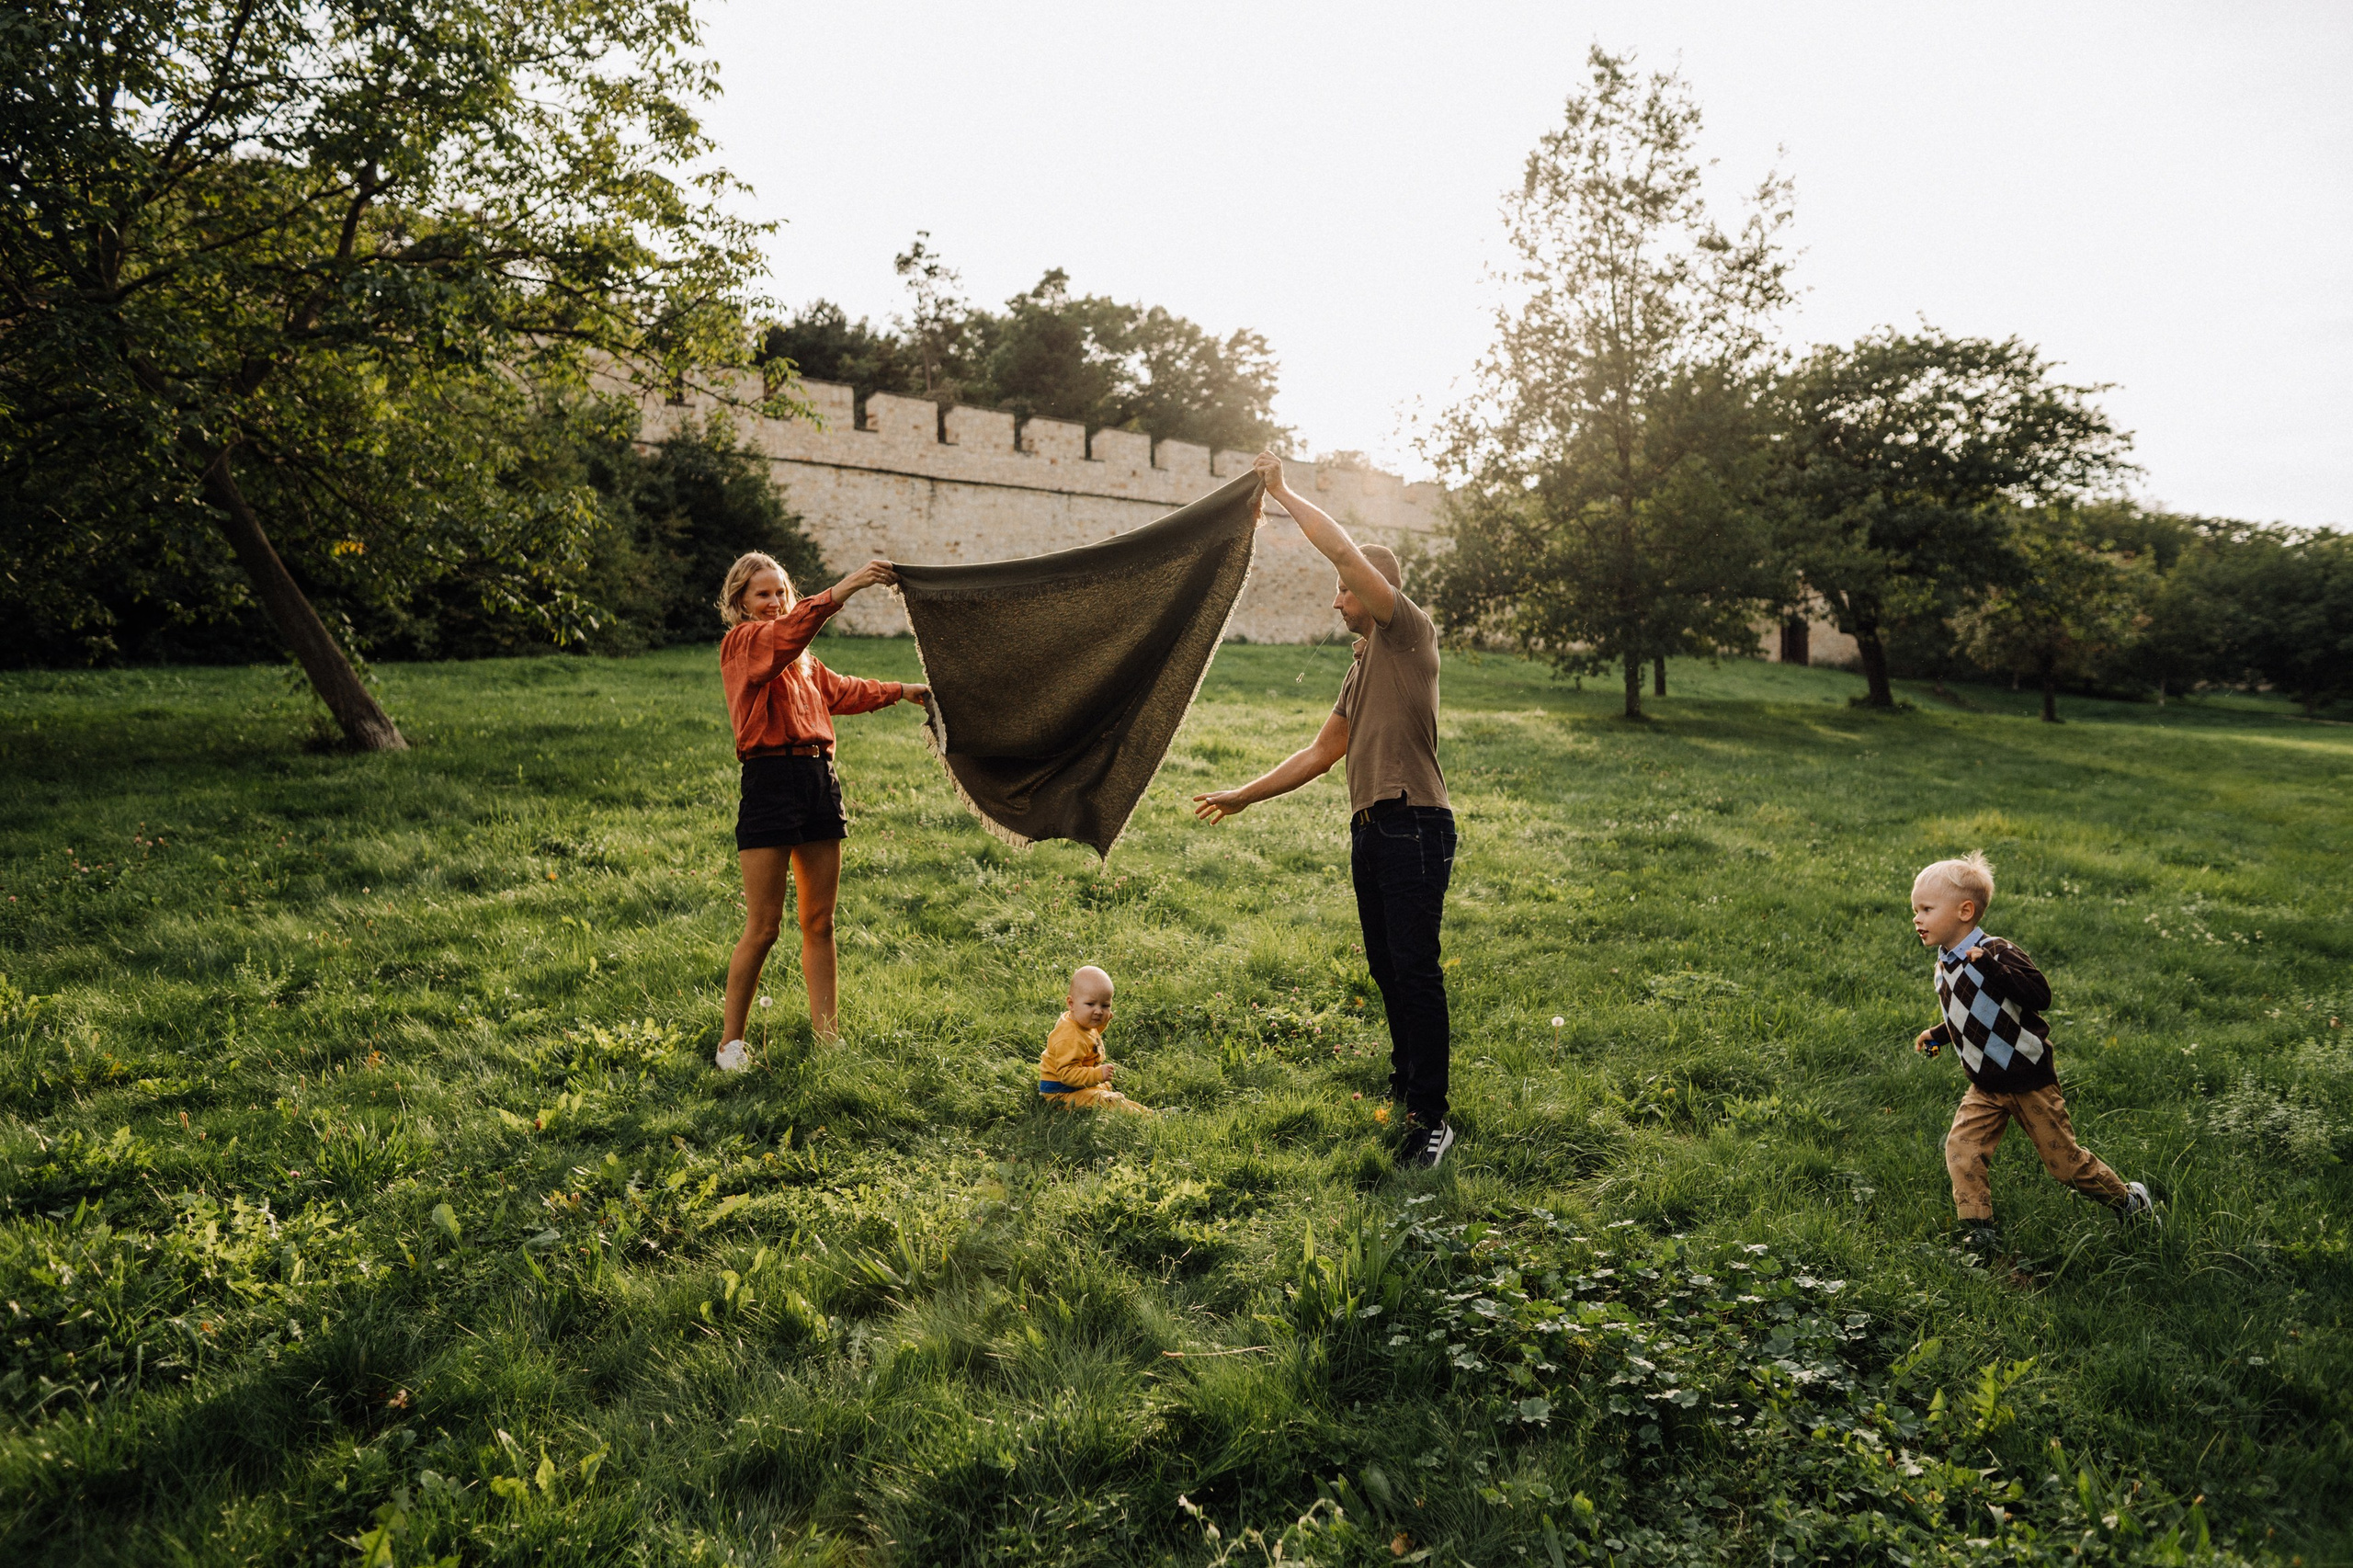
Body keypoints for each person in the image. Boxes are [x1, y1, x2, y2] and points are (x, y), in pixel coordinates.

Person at [1193, 452, 1458, 1168]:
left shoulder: (1407, 633)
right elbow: (1320, 753)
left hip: (1415, 824)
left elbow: (1342, 547)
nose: (1334, 602)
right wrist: (1242, 795)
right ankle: (1408, 1091)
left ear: (1375, 592)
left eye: (1344, 592)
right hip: (1371, 831)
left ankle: (1431, 1118)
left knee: (1415, 969)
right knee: (1385, 968)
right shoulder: (1360, 666)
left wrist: (1281, 493)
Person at [714, 551, 927, 1068]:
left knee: (820, 921)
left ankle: (828, 1037)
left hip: (817, 779)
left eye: (781, 592)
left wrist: (901, 691)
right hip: (768, 782)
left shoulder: (803, 660)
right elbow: (788, 636)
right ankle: (731, 1043)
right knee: (764, 926)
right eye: (762, 594)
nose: (774, 602)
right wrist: (849, 586)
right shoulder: (744, 644)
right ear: (740, 602)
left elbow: (841, 691)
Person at [1910, 852, 2155, 1244]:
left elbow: (2039, 996)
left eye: (1925, 908)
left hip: (2027, 1079)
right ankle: (1980, 1232)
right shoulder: (1945, 964)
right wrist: (1940, 1034)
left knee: (2064, 1165)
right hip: (1986, 1085)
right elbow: (1976, 1014)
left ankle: (2129, 1202)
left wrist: (1991, 967)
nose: (1916, 918)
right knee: (1962, 1149)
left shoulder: (1998, 952)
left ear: (1965, 911)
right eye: (1915, 909)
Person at [1038, 965, 1151, 1113]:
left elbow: (1089, 1037)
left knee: (1108, 1094)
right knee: (1106, 1100)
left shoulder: (1080, 1021)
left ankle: (1148, 1113)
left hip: (1074, 1088)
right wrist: (1097, 1074)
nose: (1098, 1011)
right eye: (1090, 1004)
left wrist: (1103, 1023)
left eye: (1105, 1005)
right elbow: (1067, 1074)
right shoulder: (1069, 1037)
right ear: (1071, 1003)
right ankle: (1147, 1118)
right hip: (1061, 1094)